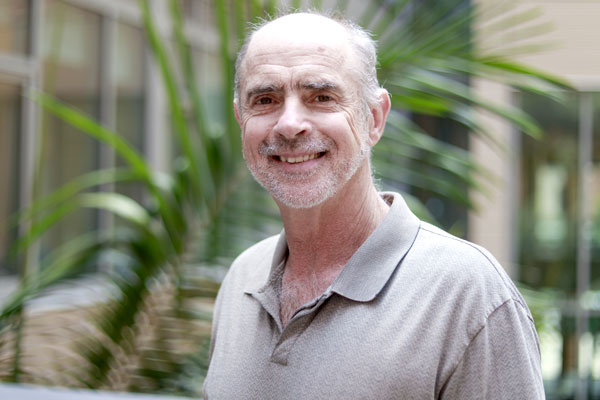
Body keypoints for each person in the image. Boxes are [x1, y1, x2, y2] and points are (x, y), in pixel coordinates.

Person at [203, 12, 544, 400]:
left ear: (374, 118)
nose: (289, 124)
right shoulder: (242, 279)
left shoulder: (467, 293)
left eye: (322, 97)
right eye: (266, 99)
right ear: (240, 120)